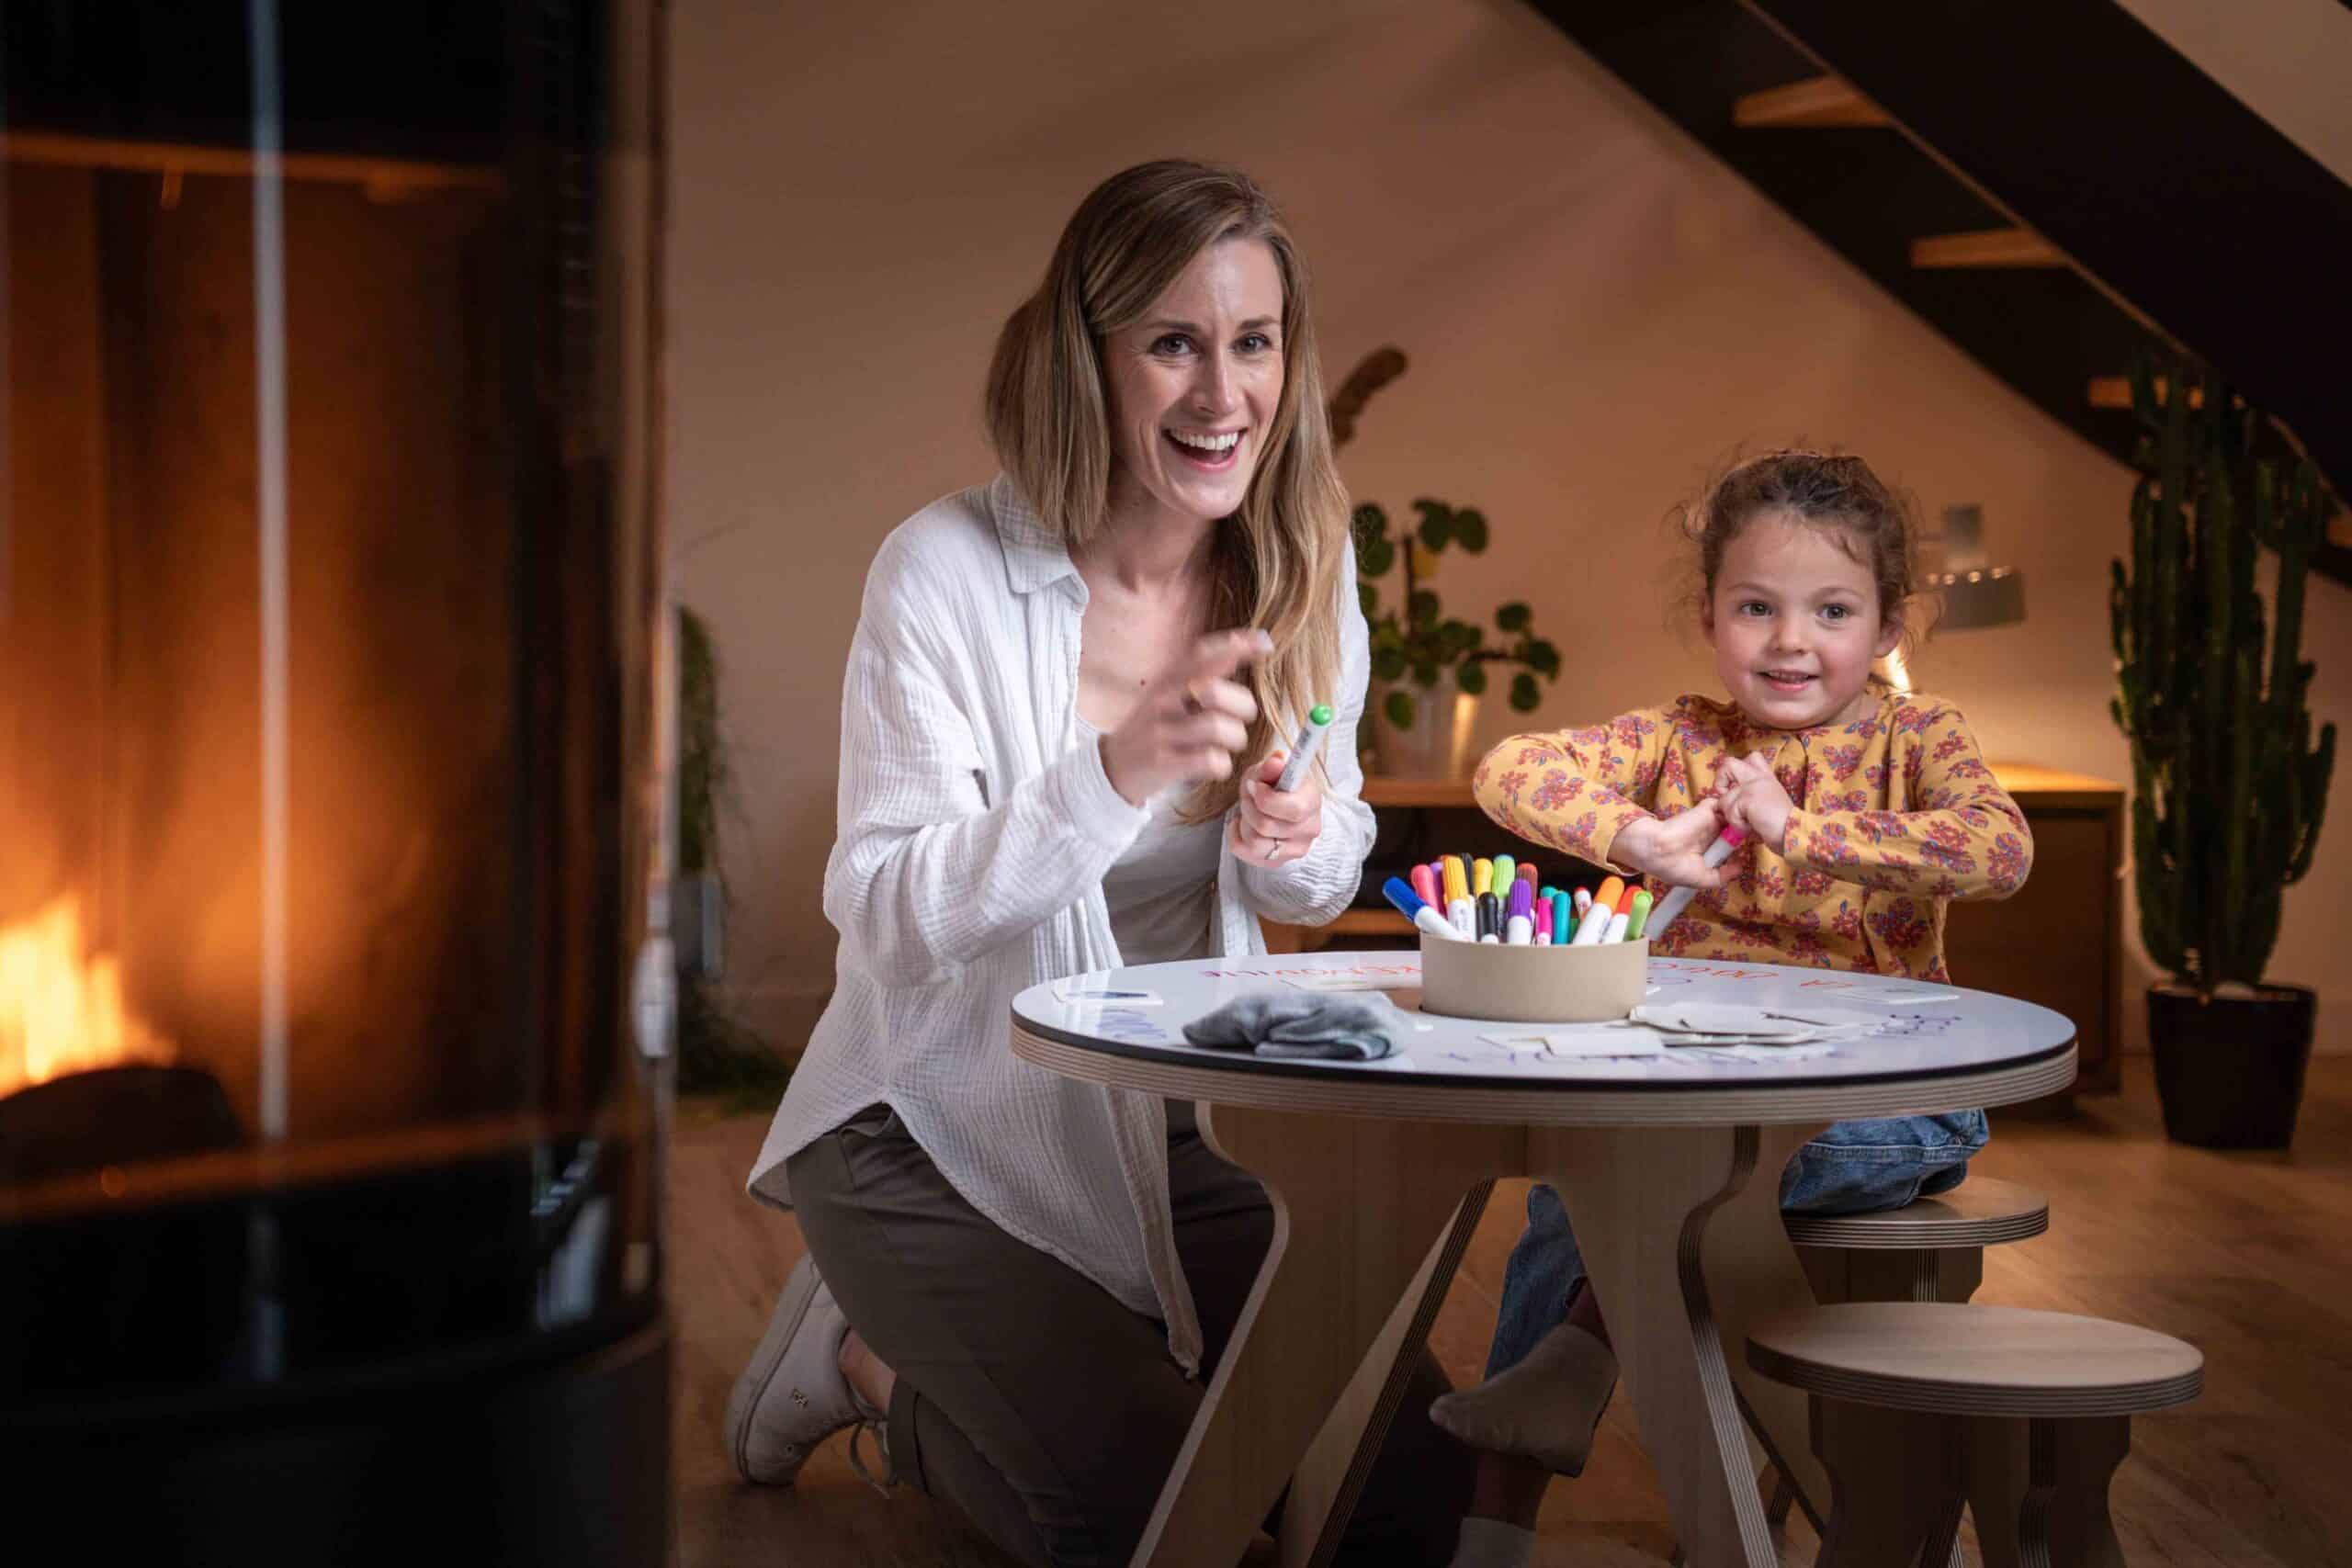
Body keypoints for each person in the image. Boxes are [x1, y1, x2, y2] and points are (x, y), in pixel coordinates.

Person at [724, 160, 1475, 1567]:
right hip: (922, 1123)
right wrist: (1116, 770)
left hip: (1162, 1116)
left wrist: (1303, 835)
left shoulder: (1308, 562)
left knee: (1405, 1486)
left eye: (1252, 342)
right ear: (1088, 355)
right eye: (1173, 343)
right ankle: (869, 1369)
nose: (1221, 394)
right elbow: (881, 907)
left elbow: (1322, 866)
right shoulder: (940, 569)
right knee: (1156, 1519)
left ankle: (986, 1360)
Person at [1430, 449, 2034, 1568]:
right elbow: (1511, 767)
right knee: (1575, 1198)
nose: (1790, 641)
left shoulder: (1920, 739)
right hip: (1688, 1091)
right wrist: (1637, 836)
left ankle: (1571, 1363)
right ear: (1710, 615)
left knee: (1671, 1172)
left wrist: (1800, 832)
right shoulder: (1680, 738)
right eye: (1755, 607)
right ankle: (1490, 1532)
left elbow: (1999, 850)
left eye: (1832, 610)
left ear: (1891, 625)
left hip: (1888, 1107)